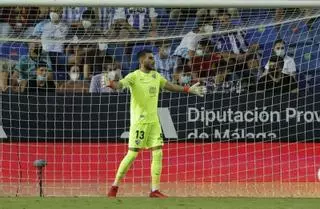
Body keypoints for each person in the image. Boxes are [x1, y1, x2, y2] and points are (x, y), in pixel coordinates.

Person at [105, 49, 206, 198]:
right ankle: (114, 187)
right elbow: (121, 85)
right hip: (139, 123)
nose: (153, 60)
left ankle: (154, 190)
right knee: (132, 154)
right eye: (150, 58)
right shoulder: (134, 76)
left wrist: (187, 89)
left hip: (154, 122)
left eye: (153, 58)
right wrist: (112, 84)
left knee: (158, 153)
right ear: (141, 60)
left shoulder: (155, 76)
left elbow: (169, 86)